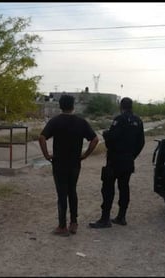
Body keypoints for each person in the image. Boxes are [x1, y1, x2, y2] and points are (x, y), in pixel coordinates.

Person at [39, 94, 99, 236]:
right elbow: (95, 139)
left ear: (60, 106)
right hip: (74, 163)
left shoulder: (55, 121)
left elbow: (41, 137)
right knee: (72, 191)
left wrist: (47, 155)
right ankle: (73, 223)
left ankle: (62, 226)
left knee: (62, 194)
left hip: (59, 163)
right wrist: (85, 155)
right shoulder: (81, 122)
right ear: (73, 106)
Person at [89, 97, 145, 228]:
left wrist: (106, 134)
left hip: (115, 160)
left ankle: (105, 219)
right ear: (131, 107)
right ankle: (121, 216)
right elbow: (141, 142)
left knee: (108, 188)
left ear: (121, 107)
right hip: (128, 160)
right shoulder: (138, 121)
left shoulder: (119, 120)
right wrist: (132, 156)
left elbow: (112, 138)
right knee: (124, 187)